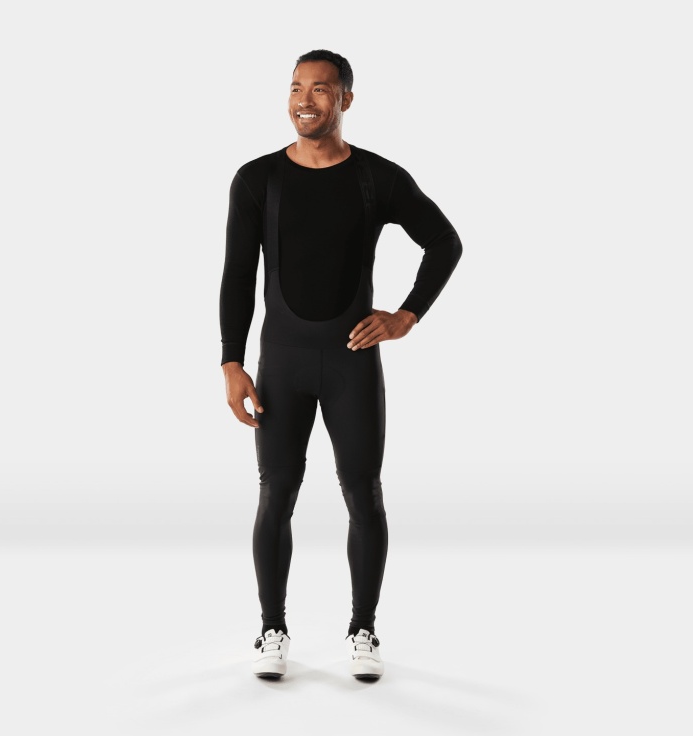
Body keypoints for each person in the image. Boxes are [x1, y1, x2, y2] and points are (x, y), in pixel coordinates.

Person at [219, 49, 463, 680]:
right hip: (283, 364)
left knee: (363, 493)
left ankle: (363, 629)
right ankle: (271, 628)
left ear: (345, 99)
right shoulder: (258, 179)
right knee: (276, 494)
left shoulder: (377, 178)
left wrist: (406, 316)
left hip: (352, 362)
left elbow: (445, 242)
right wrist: (231, 362)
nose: (305, 100)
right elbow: (237, 275)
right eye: (296, 87)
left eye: (321, 89)